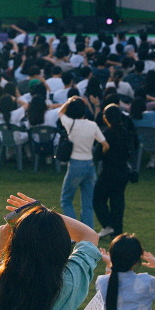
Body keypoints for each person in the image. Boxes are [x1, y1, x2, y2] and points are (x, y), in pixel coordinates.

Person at [58, 96, 106, 229]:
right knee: (87, 203)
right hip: (90, 164)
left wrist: (69, 100)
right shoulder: (92, 125)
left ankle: (74, 231)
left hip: (75, 164)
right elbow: (105, 144)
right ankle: (88, 232)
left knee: (66, 199)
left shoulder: (70, 124)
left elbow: (60, 112)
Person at [94, 104, 137, 239]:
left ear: (106, 118)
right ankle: (118, 231)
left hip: (108, 171)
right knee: (117, 201)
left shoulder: (106, 134)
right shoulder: (125, 132)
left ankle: (108, 224)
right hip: (123, 171)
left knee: (98, 199)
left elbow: (98, 155)